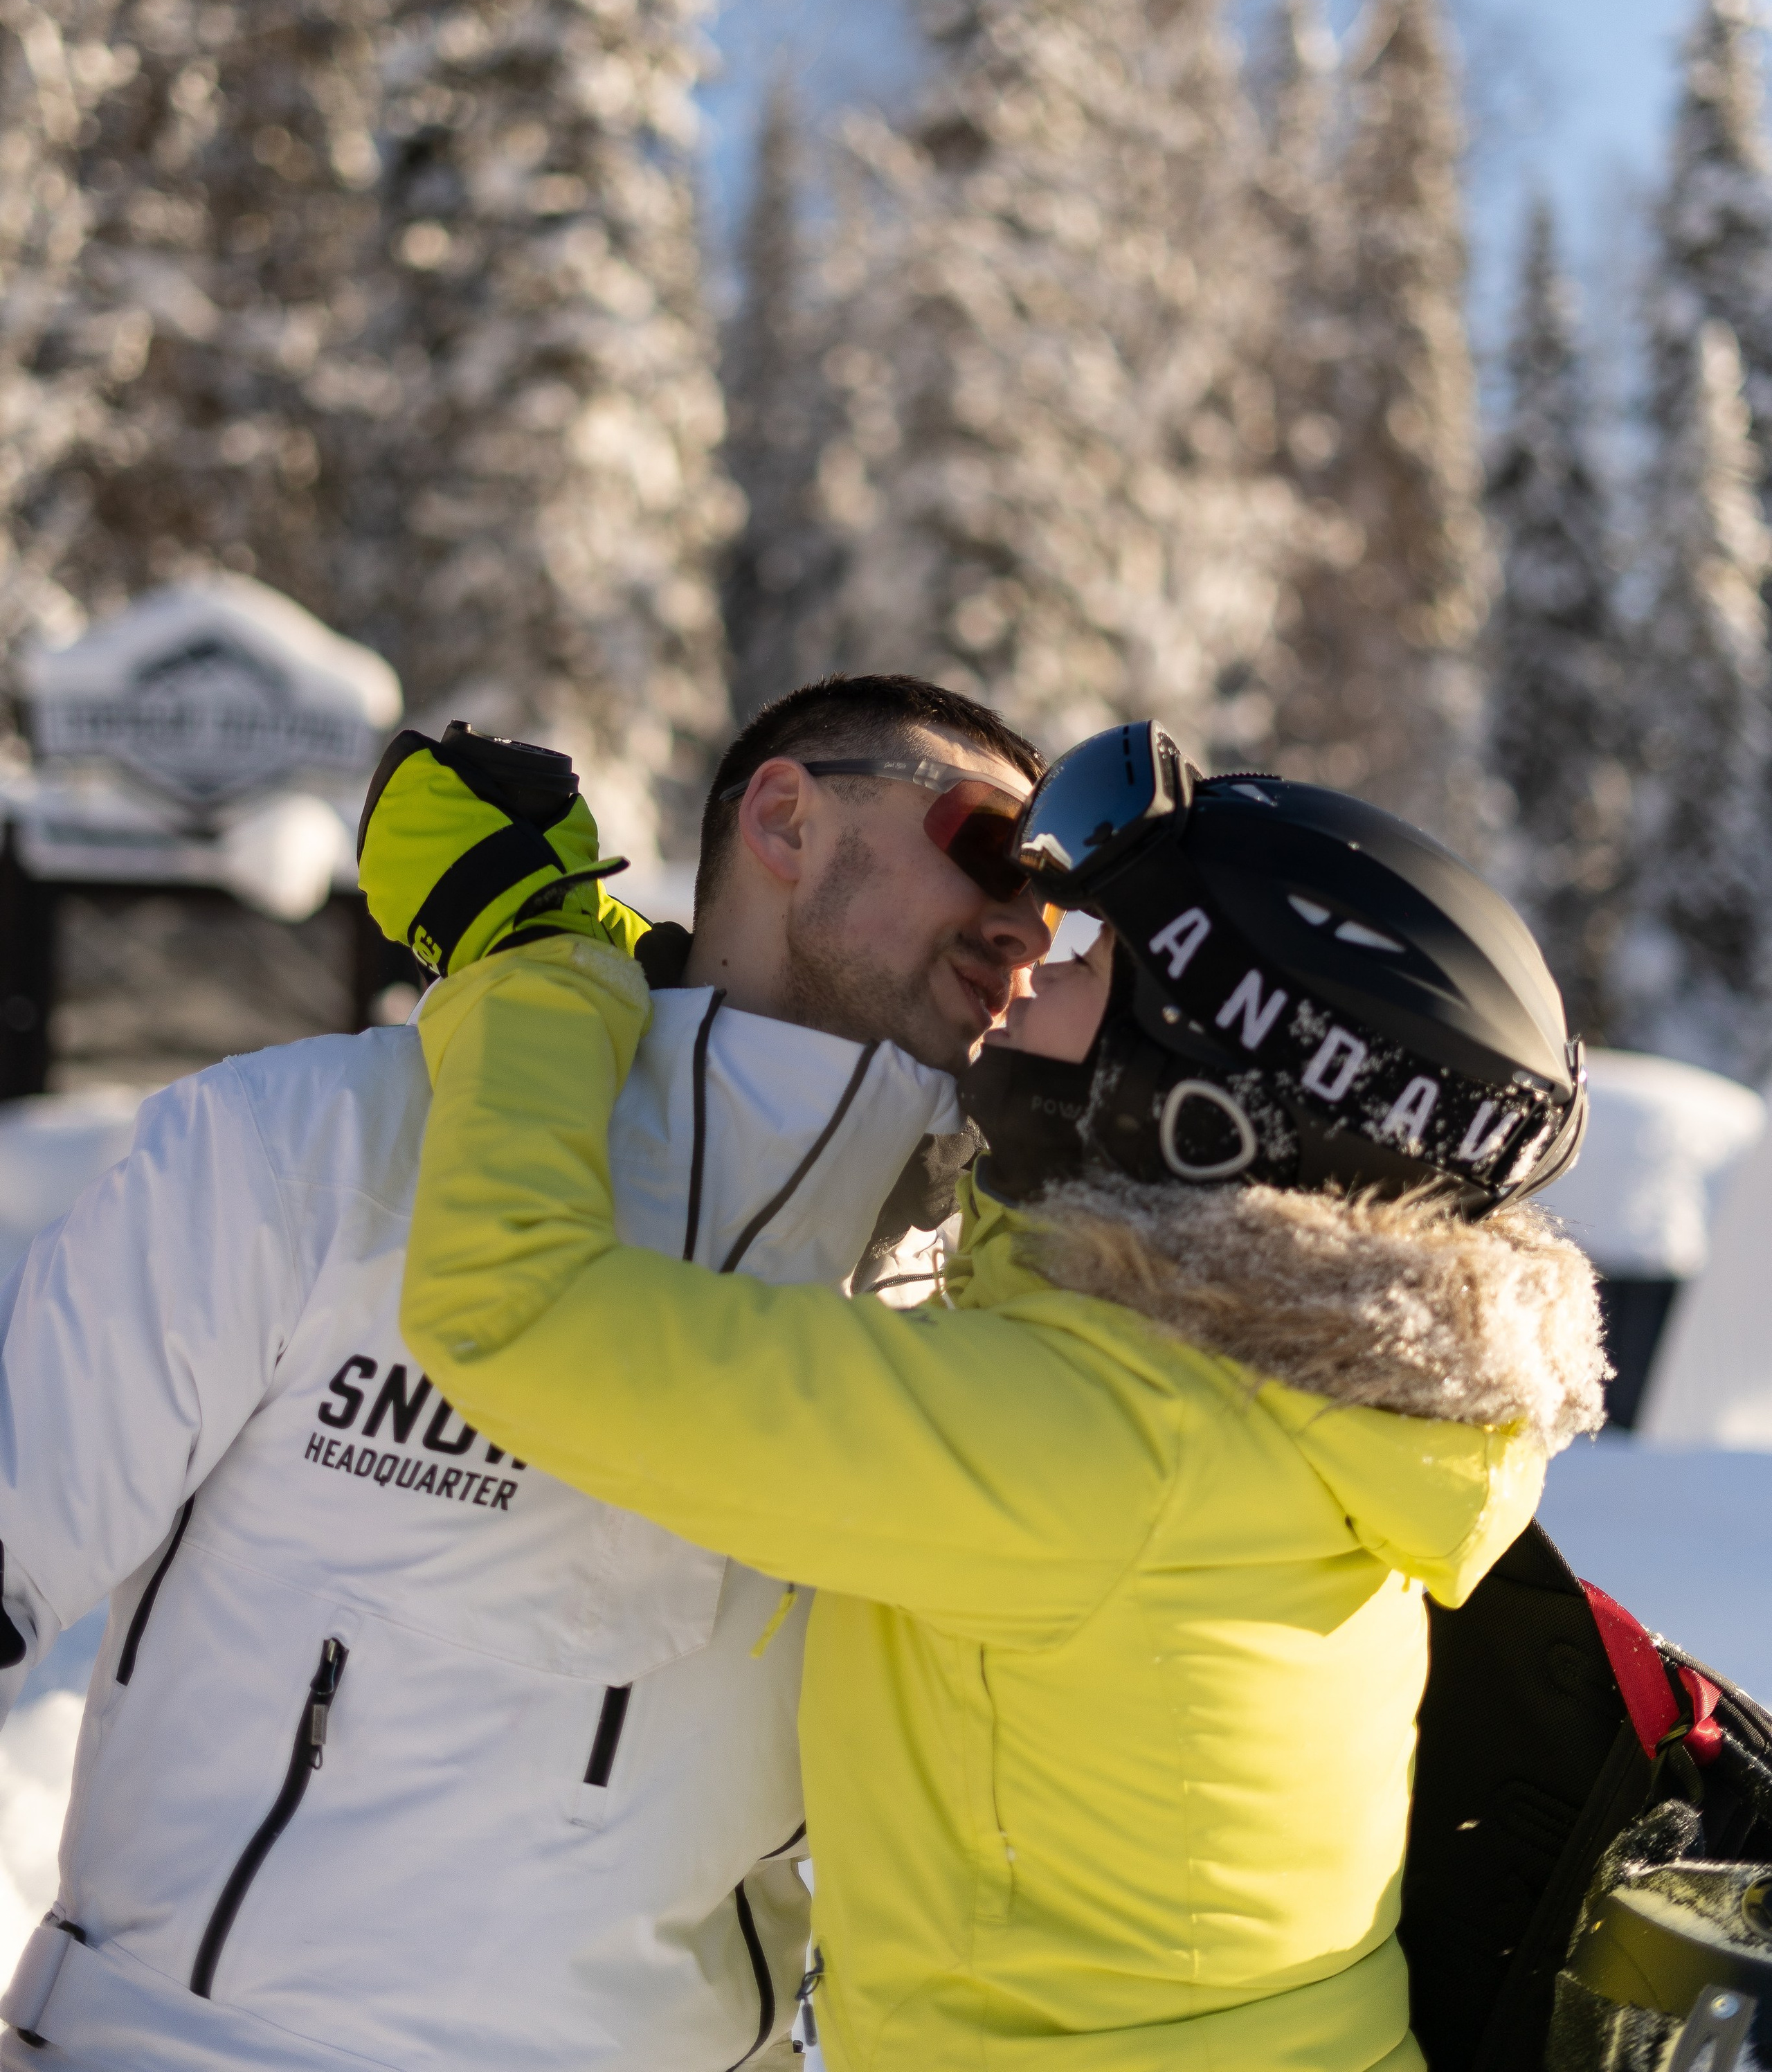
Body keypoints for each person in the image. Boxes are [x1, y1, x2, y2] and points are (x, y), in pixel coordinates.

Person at [397, 723, 1607, 2072]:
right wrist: (686, 985)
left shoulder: (1097, 1445)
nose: (1038, 963)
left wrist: (527, 955)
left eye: (1096, 963)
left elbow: (517, 1313)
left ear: (1194, 1097)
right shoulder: (1286, 1412)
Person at [0, 674, 1051, 2072]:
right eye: (991, 847)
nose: (1025, 922)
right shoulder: (312, 1147)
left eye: (1059, 897)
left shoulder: (964, 1317)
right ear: (786, 821)